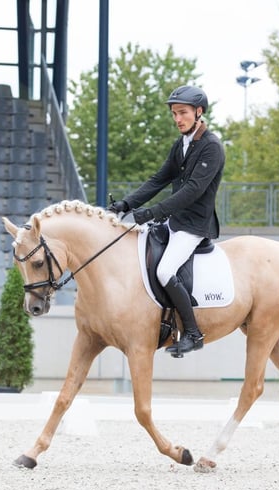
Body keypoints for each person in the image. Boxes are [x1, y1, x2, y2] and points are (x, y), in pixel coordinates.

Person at [108, 85, 225, 356]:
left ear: (198, 112)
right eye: (174, 114)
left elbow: (192, 191)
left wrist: (151, 213)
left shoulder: (212, 148)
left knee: (164, 270)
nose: (177, 119)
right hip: (174, 221)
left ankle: (193, 333)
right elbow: (159, 179)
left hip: (194, 225)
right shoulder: (181, 146)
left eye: (182, 113)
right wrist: (127, 204)